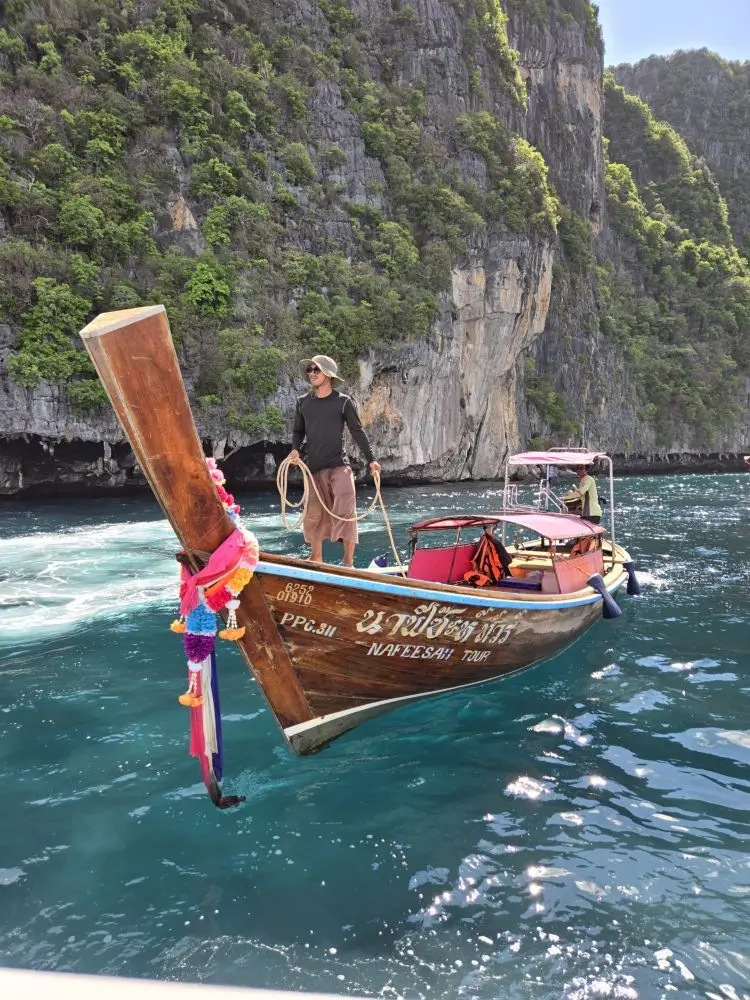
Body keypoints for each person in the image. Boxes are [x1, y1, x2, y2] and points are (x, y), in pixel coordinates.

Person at [288, 354, 381, 567]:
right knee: (314, 514)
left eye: (316, 370)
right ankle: (316, 558)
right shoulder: (303, 402)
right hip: (314, 468)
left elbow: (357, 431)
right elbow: (298, 431)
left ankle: (348, 563)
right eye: (310, 370)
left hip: (340, 466)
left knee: (346, 512)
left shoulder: (343, 402)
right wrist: (295, 449)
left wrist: (372, 460)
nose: (311, 373)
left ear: (328, 375)